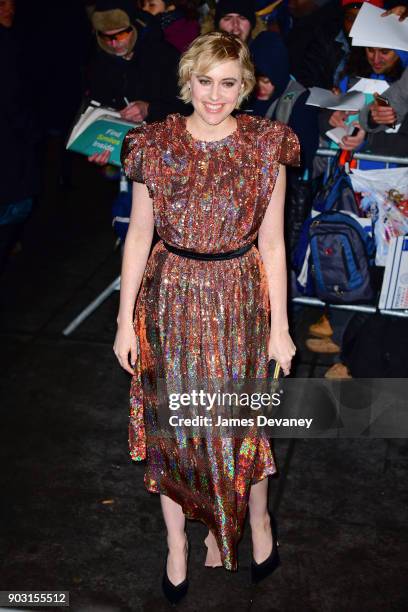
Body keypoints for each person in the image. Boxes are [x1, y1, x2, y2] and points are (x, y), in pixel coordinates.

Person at [116, 31, 299, 604]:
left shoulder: (267, 145)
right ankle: (176, 541)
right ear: (186, 80)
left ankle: (250, 524)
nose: (214, 96)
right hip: (169, 296)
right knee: (174, 425)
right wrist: (125, 320)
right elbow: (139, 234)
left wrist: (281, 327)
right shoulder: (155, 143)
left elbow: (273, 245)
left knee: (240, 424)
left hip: (240, 298)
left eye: (227, 83)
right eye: (204, 81)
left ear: (244, 86)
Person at [293, 0, 385, 90]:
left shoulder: (387, 49)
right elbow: (307, 77)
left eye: (364, 20)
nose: (355, 27)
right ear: (343, 18)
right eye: (351, 19)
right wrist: (328, 95)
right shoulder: (326, 38)